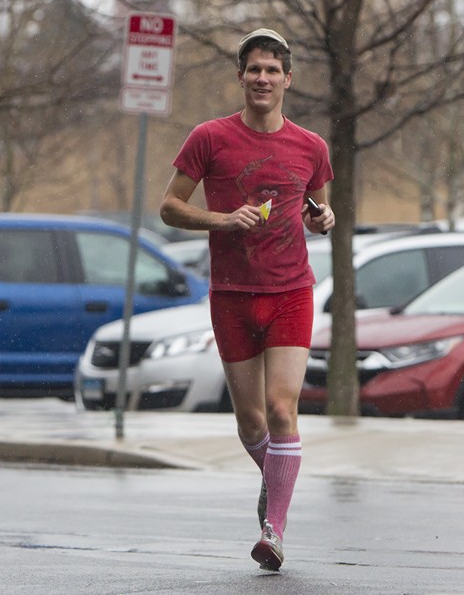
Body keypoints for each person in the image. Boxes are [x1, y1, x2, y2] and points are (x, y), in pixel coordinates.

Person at [160, 28, 334, 572]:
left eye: (272, 70)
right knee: (252, 424)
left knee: (284, 409)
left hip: (290, 292)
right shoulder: (210, 138)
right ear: (241, 77)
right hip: (232, 296)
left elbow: (318, 210)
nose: (262, 78)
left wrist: (322, 219)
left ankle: (273, 530)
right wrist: (221, 219)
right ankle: (275, 477)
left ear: (288, 79)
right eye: (253, 69)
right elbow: (169, 207)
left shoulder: (311, 147)